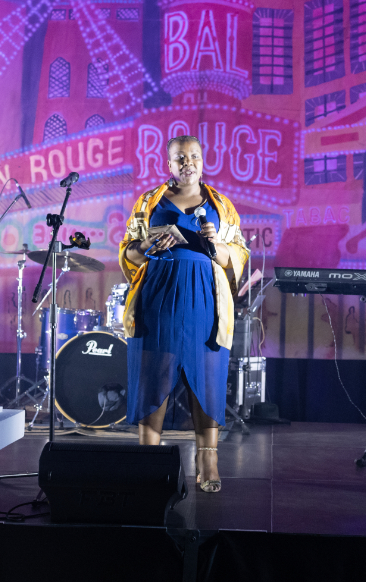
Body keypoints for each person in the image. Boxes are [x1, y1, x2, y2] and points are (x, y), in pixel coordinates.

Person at [118, 135, 248, 493]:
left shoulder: (221, 206)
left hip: (205, 297)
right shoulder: (149, 202)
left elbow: (238, 254)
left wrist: (216, 246)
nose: (187, 163)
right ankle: (148, 461)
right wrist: (146, 245)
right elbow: (128, 252)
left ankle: (208, 460)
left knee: (206, 374)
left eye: (194, 157)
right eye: (180, 158)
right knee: (153, 374)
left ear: (203, 162)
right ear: (169, 164)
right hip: (158, 295)